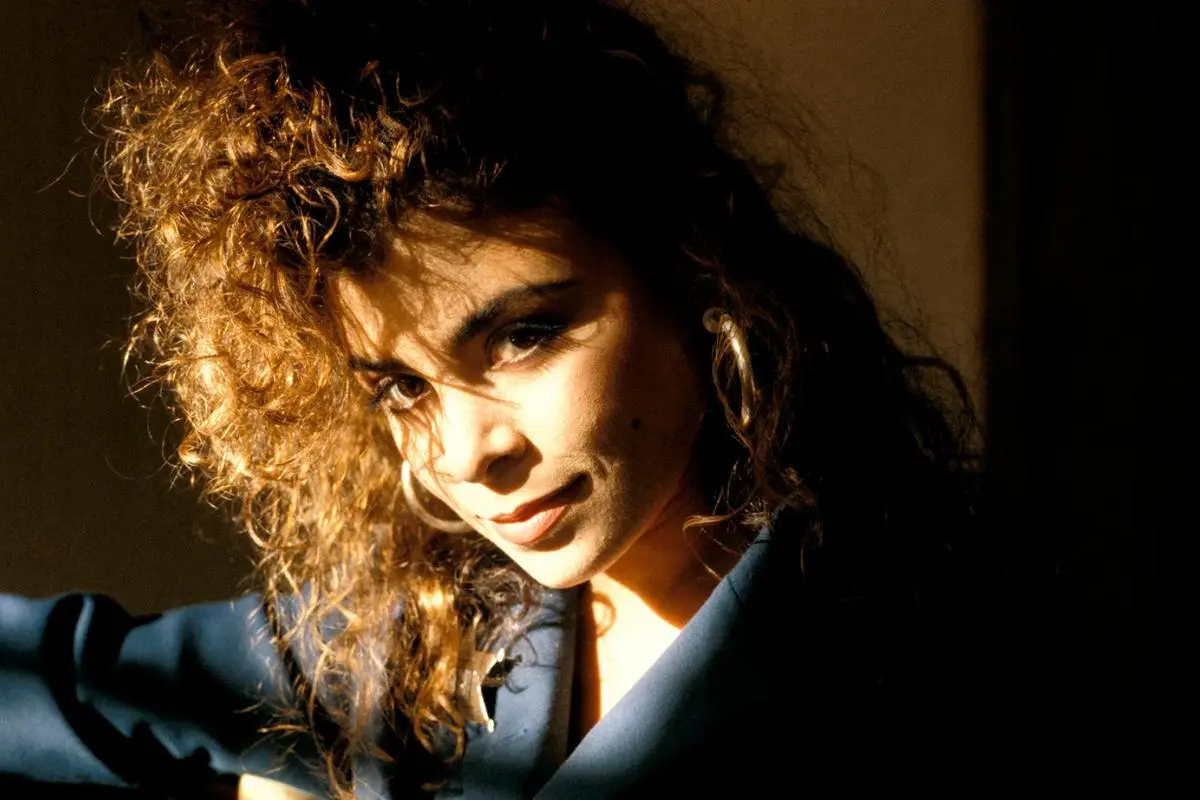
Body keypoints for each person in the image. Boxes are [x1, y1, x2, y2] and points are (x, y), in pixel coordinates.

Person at [0, 1, 1085, 798]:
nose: (467, 452)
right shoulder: (435, 630)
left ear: (697, 276)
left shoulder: (930, 668)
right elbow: (64, 686)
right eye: (401, 386)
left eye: (523, 334)